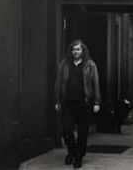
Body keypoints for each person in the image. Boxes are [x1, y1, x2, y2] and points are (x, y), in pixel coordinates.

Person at [54, 40, 101, 169]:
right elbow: (58, 83)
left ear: (83, 51)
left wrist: (97, 102)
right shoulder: (64, 64)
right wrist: (57, 100)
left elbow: (95, 84)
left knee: (82, 132)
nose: (75, 52)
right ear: (71, 51)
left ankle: (78, 156)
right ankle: (72, 152)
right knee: (67, 130)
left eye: (78, 49)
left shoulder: (90, 64)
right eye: (73, 49)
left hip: (84, 103)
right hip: (67, 103)